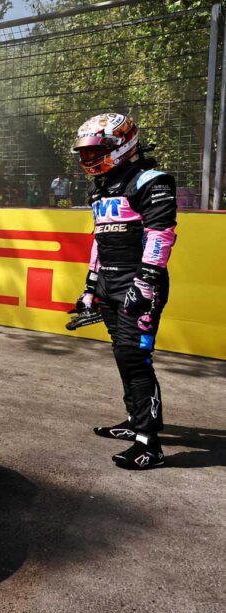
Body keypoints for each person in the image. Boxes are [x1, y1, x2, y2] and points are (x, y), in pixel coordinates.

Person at [69, 112, 176, 470]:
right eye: (85, 153)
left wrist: (144, 284)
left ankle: (150, 444)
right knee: (123, 355)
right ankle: (135, 422)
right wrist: (90, 287)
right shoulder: (99, 186)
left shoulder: (151, 179)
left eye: (95, 151)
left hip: (139, 282)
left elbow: (161, 236)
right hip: (109, 282)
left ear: (122, 144)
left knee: (136, 359)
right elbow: (100, 238)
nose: (89, 159)